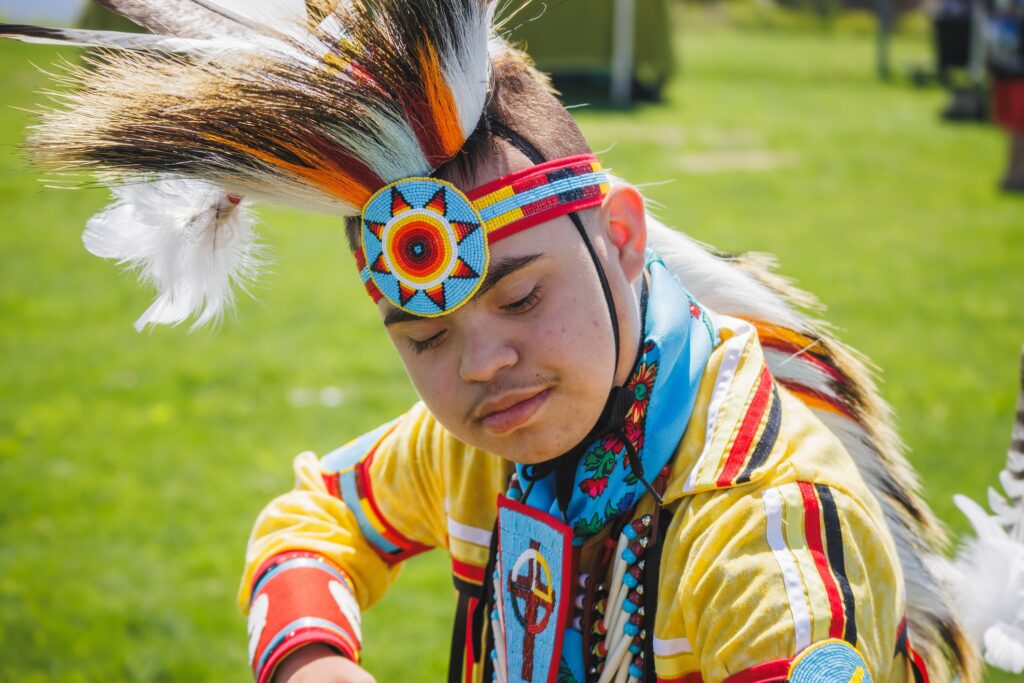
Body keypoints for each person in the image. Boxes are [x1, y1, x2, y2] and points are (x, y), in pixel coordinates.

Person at [0, 1, 981, 681]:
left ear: (623, 238)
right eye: (423, 336)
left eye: (520, 295)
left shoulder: (762, 521)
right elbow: (311, 521)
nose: (480, 363)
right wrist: (314, 656)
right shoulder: (475, 444)